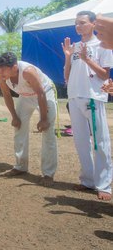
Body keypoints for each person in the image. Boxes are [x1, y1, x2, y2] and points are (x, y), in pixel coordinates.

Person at [63, 11, 113, 200]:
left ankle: (104, 185)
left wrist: (87, 59)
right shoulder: (75, 47)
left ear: (93, 24)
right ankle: (88, 180)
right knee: (81, 142)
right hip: (74, 97)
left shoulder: (103, 45)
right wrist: (68, 57)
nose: (78, 26)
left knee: (100, 142)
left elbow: (104, 75)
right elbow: (67, 77)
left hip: (93, 97)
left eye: (82, 22)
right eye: (76, 23)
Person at [0, 52, 57, 186]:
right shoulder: (0, 73)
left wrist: (44, 118)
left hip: (44, 93)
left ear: (15, 67)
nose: (1, 72)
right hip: (25, 96)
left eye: (4, 69)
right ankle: (20, 166)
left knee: (48, 131)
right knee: (19, 127)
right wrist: (14, 116)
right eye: (0, 68)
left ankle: (48, 173)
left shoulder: (28, 72)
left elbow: (40, 92)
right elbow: (6, 94)